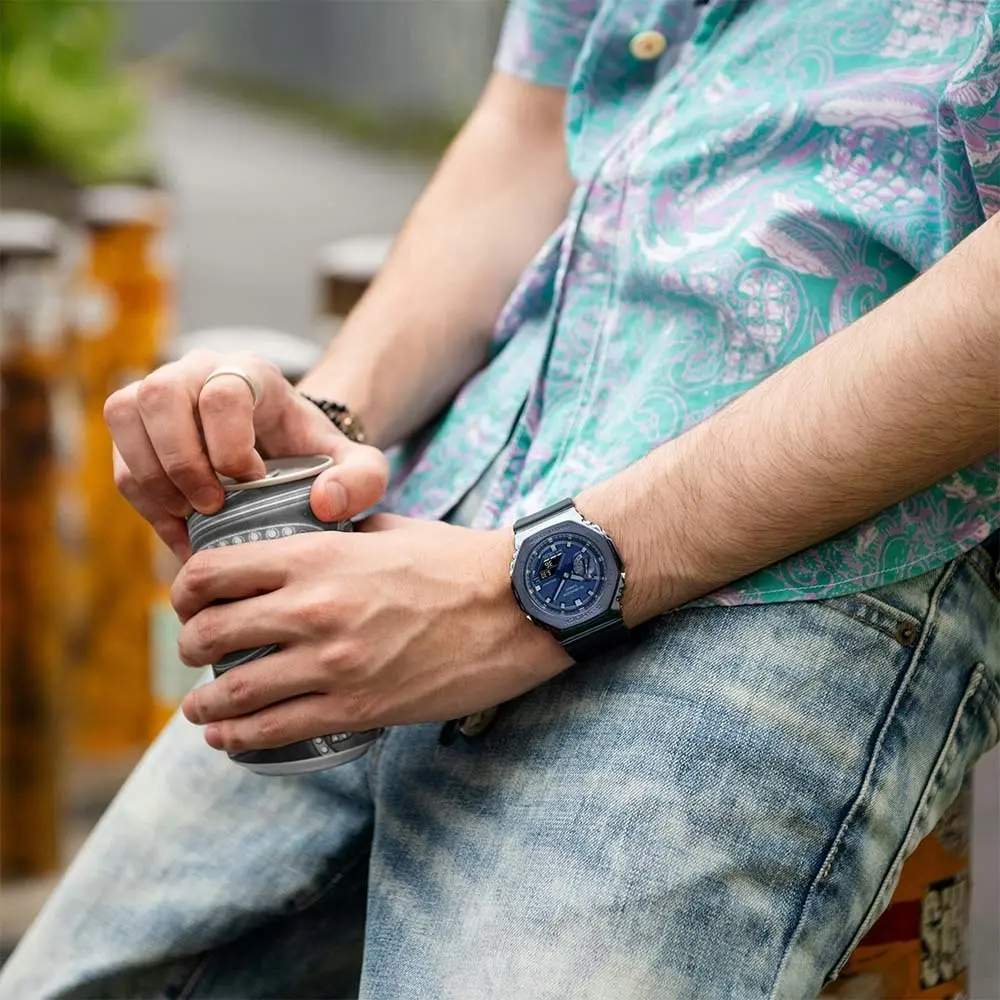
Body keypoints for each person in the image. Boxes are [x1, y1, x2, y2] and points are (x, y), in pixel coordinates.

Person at [3, 0, 998, 997]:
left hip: (800, 554)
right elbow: (530, 130)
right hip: (443, 503)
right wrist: (323, 428)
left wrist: (517, 595)